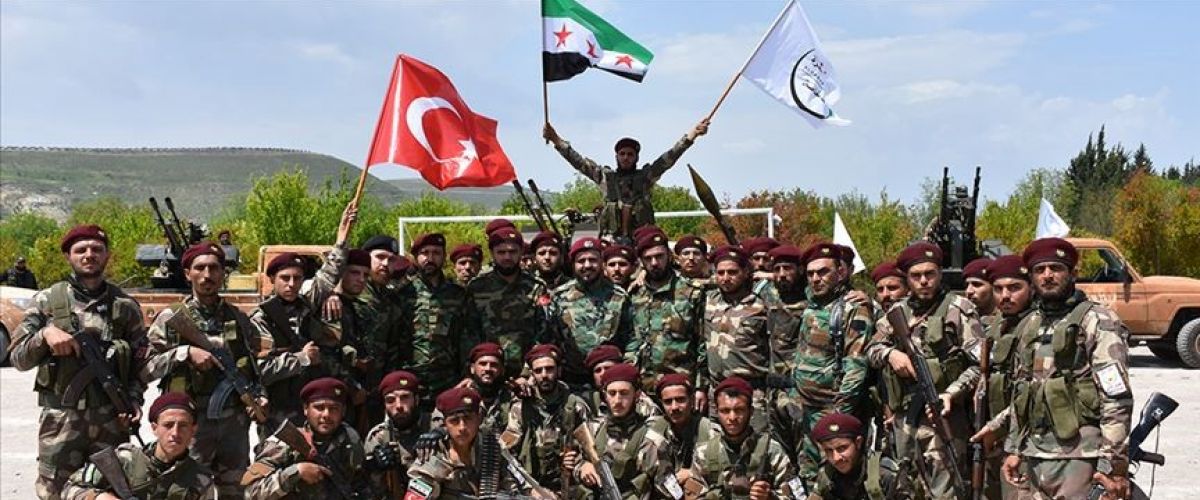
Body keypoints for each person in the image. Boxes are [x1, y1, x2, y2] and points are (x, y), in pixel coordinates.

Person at [9, 225, 149, 499]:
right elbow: (18, 359)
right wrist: (44, 335)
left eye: (97, 249)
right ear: (68, 256)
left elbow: (140, 364)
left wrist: (133, 400)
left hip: (111, 420)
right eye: (81, 250)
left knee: (114, 491)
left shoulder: (125, 306)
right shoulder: (47, 301)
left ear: (107, 255)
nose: (89, 255)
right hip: (61, 422)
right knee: (55, 492)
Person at [1000, 238, 1132, 500]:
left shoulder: (1097, 320)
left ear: (1073, 273)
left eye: (1056, 268)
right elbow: (1021, 392)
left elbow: (1116, 396)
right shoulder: (1029, 325)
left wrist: (1113, 465)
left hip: (1080, 456)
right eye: (1040, 270)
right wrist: (1014, 448)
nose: (1047, 275)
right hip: (1033, 454)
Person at [143, 241, 273, 497]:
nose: (207, 275)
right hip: (189, 424)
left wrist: (259, 395)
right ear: (187, 273)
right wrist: (185, 353)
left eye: (214, 268)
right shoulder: (171, 318)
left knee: (235, 490)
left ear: (223, 273)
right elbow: (146, 368)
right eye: (200, 268)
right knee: (185, 491)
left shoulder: (238, 318)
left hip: (233, 425)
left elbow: (252, 365)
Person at [865, 242, 984, 498]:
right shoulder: (896, 312)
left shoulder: (958, 309)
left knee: (948, 489)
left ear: (940, 274)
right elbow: (871, 351)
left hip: (944, 415)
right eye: (916, 276)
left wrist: (952, 393)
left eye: (930, 274)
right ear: (907, 279)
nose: (923, 281)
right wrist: (891, 354)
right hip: (905, 418)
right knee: (906, 486)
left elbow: (979, 365)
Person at [789, 242, 875, 484]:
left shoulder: (853, 308)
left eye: (823, 272)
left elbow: (856, 366)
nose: (816, 279)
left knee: (835, 478)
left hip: (832, 411)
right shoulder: (813, 304)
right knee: (809, 475)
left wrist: (839, 416)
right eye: (810, 274)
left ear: (840, 272)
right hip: (806, 409)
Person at [542, 118, 710, 240]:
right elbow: (578, 162)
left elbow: (669, 158)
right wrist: (556, 139)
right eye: (622, 154)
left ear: (637, 157)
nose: (626, 158)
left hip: (641, 241)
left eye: (630, 154)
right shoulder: (605, 178)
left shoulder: (645, 178)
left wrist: (692, 135)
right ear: (616, 156)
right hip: (611, 242)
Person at [967, 255, 1034, 500]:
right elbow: (981, 371)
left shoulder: (1036, 327)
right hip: (995, 436)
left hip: (1023, 437)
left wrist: (996, 426)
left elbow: (1031, 392)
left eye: (1014, 288)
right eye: (998, 289)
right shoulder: (997, 326)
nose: (1005, 295)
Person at [62, 393, 215, 499]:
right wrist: (101, 497)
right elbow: (69, 489)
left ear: (193, 430)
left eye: (183, 426)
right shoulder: (123, 460)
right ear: (154, 428)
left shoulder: (200, 479)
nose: (175, 433)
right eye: (168, 425)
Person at [243, 377, 372, 499]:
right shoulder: (284, 443)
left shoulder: (351, 440)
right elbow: (250, 493)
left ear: (343, 411)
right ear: (306, 409)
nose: (326, 415)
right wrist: (295, 473)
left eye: (334, 408)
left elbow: (361, 482)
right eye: (319, 408)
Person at [251, 252, 330, 442]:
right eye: (285, 278)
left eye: (297, 278)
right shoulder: (261, 319)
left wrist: (342, 241)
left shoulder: (306, 307)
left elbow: (328, 276)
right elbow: (261, 370)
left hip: (309, 405)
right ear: (272, 279)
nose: (292, 284)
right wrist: (302, 358)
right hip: (278, 411)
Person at [687, 376, 802, 499]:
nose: (732, 418)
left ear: (751, 411)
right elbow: (693, 496)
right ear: (717, 413)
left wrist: (769, 496)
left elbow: (796, 496)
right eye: (725, 411)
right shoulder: (704, 453)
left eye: (739, 410)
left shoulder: (771, 450)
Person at [626, 227, 707, 402]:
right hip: (643, 389)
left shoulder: (691, 293)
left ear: (669, 256)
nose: (654, 263)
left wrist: (700, 387)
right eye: (648, 258)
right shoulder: (634, 294)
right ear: (641, 261)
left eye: (659, 256)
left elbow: (702, 343)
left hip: (680, 389)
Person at [406, 387, 534, 498]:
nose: (462, 427)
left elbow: (522, 485)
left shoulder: (491, 448)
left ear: (478, 419)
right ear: (445, 424)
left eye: (468, 418)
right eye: (454, 421)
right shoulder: (432, 456)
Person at [566, 363, 669, 499]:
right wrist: (582, 467)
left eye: (624, 393)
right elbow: (571, 462)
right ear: (605, 395)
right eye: (612, 393)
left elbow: (665, 488)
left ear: (637, 395)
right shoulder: (593, 429)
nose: (617, 400)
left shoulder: (650, 437)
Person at [701, 245, 773, 432]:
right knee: (716, 442)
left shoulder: (762, 304)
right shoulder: (708, 299)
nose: (726, 278)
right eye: (720, 273)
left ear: (746, 272)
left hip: (751, 392)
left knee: (756, 442)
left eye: (732, 272)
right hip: (717, 391)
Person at [500, 344, 591, 491]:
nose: (544, 375)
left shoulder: (576, 406)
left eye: (549, 369)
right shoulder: (521, 408)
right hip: (531, 486)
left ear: (559, 370)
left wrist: (579, 464)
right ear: (532, 374)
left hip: (568, 486)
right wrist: (528, 489)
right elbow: (506, 452)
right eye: (538, 370)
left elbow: (590, 452)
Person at [546, 237, 633, 387]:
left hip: (610, 377)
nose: (587, 265)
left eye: (593, 260)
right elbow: (549, 337)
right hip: (571, 378)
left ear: (602, 263)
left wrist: (627, 368)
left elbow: (631, 337)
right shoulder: (559, 297)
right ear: (573, 264)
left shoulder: (619, 296)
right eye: (581, 261)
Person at [468, 225, 547, 376]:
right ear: (492, 253)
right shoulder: (477, 287)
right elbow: (470, 334)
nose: (507, 257)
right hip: (488, 371)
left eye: (512, 252)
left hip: (529, 372)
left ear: (521, 252)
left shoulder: (536, 286)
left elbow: (543, 333)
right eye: (501, 252)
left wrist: (528, 372)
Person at [404, 233, 474, 398]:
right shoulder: (403, 293)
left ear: (444, 257)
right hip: (411, 379)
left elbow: (467, 336)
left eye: (436, 253)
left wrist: (468, 373)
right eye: (424, 253)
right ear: (416, 257)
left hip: (449, 379)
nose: (430, 258)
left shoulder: (458, 294)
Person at [807, 412, 905, 500]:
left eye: (842, 448)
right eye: (829, 451)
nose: (836, 458)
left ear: (858, 442)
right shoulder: (828, 474)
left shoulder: (884, 474)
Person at [364, 370, 431, 495]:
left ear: (416, 399)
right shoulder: (379, 436)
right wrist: (376, 467)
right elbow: (371, 489)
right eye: (390, 400)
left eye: (405, 397)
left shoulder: (436, 426)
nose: (399, 405)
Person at [655, 373, 721, 498]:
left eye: (680, 400)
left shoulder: (709, 432)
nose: (674, 407)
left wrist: (693, 472)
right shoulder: (655, 432)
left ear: (692, 400)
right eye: (668, 402)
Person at [582, 344, 661, 419]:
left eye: (608, 368)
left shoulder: (643, 405)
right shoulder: (588, 402)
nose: (603, 374)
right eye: (598, 370)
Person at [963, 257, 998, 325]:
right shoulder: (961, 318)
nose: (969, 291)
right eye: (966, 285)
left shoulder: (1006, 321)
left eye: (977, 284)